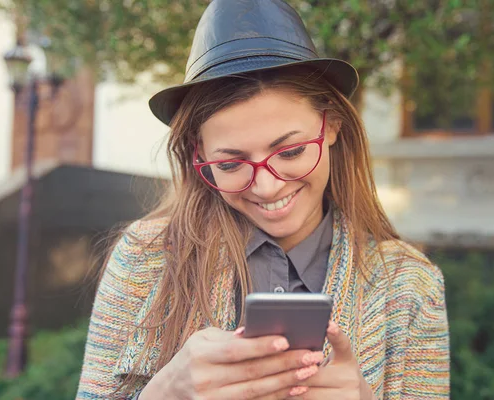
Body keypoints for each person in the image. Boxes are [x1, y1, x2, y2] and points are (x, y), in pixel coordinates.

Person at [76, 0, 450, 399]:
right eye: (232, 164)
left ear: (333, 126)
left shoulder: (410, 286)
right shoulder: (146, 257)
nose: (268, 188)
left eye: (290, 153)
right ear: (199, 156)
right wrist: (163, 392)